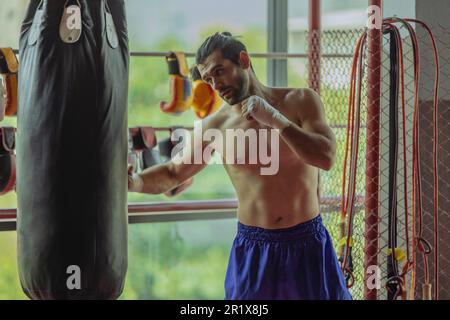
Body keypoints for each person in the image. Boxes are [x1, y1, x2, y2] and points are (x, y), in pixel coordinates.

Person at [128, 32, 352, 300]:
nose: (216, 84)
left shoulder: (301, 100)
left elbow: (325, 157)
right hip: (253, 249)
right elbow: (174, 172)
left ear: (243, 60)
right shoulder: (215, 125)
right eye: (208, 79)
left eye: (219, 71)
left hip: (307, 242)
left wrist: (276, 121)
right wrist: (136, 182)